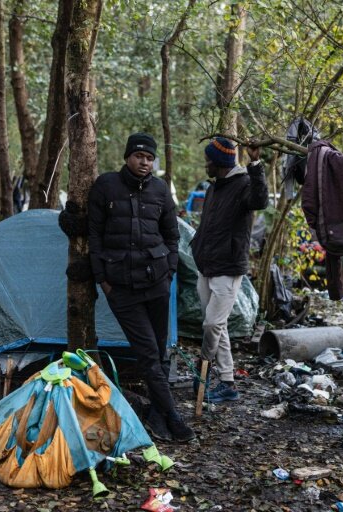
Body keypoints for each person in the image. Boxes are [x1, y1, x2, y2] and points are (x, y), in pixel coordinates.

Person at [88, 132, 196, 443]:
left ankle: (157, 415)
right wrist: (103, 281)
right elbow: (94, 237)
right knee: (149, 353)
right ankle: (174, 418)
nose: (144, 162)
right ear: (127, 157)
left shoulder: (161, 190)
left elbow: (172, 236)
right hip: (121, 288)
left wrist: (170, 271)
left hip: (157, 284)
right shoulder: (106, 186)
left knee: (159, 352)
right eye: (139, 157)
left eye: (149, 158)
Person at [191, 137, 268, 403]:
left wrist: (256, 163)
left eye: (209, 160)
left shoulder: (244, 183)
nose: (206, 164)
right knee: (217, 326)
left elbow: (260, 200)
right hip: (207, 265)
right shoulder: (214, 188)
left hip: (228, 267)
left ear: (220, 163)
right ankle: (227, 383)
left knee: (212, 323)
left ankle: (204, 365)